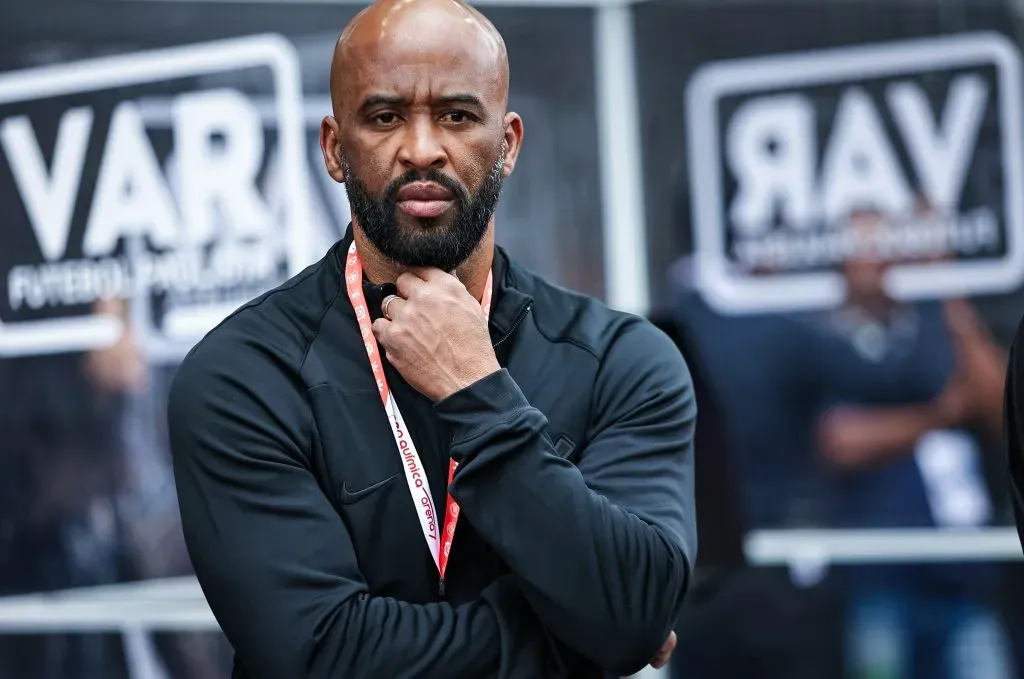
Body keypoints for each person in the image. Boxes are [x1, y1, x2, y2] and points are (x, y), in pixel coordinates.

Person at [167, 1, 696, 677]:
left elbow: (633, 609)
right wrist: (576, 638)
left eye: (456, 115)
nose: (421, 148)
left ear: (507, 144)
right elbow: (318, 654)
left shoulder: (623, 360)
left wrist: (478, 390)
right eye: (385, 117)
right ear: (335, 147)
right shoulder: (243, 375)